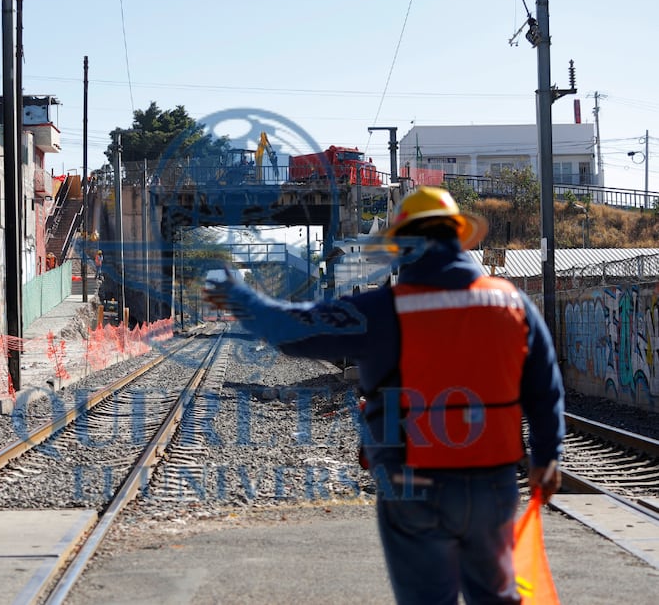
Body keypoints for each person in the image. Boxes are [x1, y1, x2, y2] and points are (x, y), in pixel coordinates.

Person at [203, 186, 564, 605]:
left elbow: (291, 330)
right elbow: (544, 386)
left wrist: (237, 295)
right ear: (457, 239)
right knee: (496, 597)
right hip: (494, 483)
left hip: (412, 485)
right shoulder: (512, 303)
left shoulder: (382, 311)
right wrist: (546, 455)